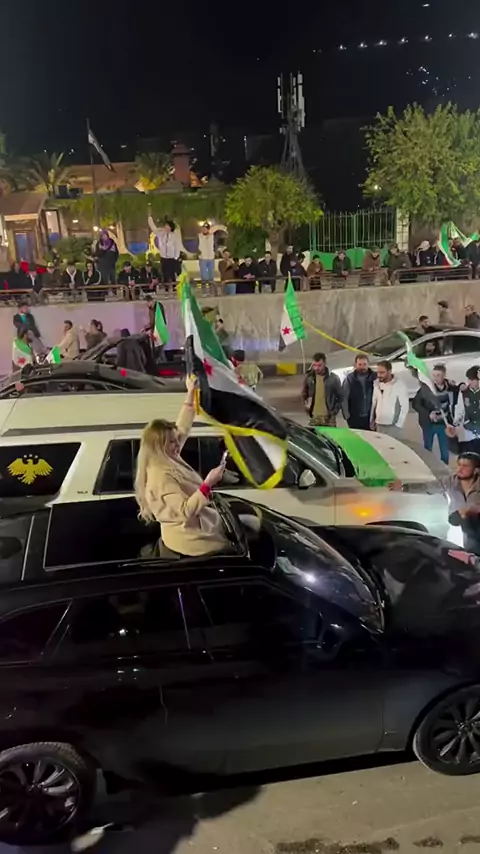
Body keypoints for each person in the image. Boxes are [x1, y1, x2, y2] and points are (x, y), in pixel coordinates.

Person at [134, 376, 230, 558]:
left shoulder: (167, 455)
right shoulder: (160, 477)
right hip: (191, 541)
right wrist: (208, 483)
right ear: (159, 445)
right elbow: (184, 511)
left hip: (196, 529)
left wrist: (190, 393)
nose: (177, 443)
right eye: (172, 441)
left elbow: (183, 427)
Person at [412, 364, 457, 464]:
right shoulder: (427, 389)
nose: (436, 378)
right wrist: (428, 414)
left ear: (444, 375)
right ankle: (429, 466)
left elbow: (460, 392)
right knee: (427, 448)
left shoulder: (450, 388)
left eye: (438, 375)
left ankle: (444, 468)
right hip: (429, 424)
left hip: (444, 423)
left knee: (445, 449)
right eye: (434, 375)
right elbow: (416, 404)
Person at [443, 453, 480, 554]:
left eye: (465, 466)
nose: (460, 469)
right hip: (461, 519)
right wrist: (405, 487)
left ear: (476, 470)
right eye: (459, 465)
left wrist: (475, 509)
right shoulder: (451, 481)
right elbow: (432, 486)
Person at [370, 359, 409, 438]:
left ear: (389, 371)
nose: (379, 375)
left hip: (392, 426)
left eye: (382, 372)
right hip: (379, 423)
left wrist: (399, 424)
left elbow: (405, 407)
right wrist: (372, 420)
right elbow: (374, 403)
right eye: (378, 372)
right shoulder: (376, 384)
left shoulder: (399, 385)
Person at [148, 207, 185, 290]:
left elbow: (177, 246)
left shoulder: (174, 236)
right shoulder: (160, 233)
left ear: (170, 227)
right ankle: (166, 288)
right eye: (165, 226)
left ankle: (174, 287)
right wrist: (150, 218)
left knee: (172, 273)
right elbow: (153, 228)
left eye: (167, 226)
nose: (165, 227)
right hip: (164, 257)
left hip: (172, 258)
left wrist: (176, 257)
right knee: (165, 273)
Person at [302, 352, 342, 427]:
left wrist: (334, 412)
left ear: (325, 363)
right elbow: (304, 393)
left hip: (329, 419)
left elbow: (340, 397)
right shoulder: (309, 378)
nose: (317, 368)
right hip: (314, 418)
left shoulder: (333, 379)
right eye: (315, 365)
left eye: (319, 365)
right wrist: (306, 406)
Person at [342, 355, 376, 430]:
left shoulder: (375, 377)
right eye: (360, 364)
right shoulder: (350, 379)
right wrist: (346, 415)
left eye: (364, 364)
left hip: (371, 417)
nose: (362, 367)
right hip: (354, 418)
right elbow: (344, 397)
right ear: (355, 365)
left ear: (368, 364)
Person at [451, 366, 480, 454]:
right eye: (468, 379)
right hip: (469, 429)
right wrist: (456, 421)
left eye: (472, 380)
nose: (469, 382)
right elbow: (459, 407)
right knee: (470, 453)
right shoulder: (464, 392)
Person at [197, 222, 223, 288]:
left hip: (211, 258)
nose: (204, 230)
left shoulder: (212, 236)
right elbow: (196, 245)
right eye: (203, 228)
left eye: (205, 228)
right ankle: (204, 289)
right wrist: (198, 251)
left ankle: (212, 288)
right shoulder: (199, 236)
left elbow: (216, 245)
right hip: (202, 258)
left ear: (208, 229)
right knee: (204, 275)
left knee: (211, 275)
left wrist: (215, 252)